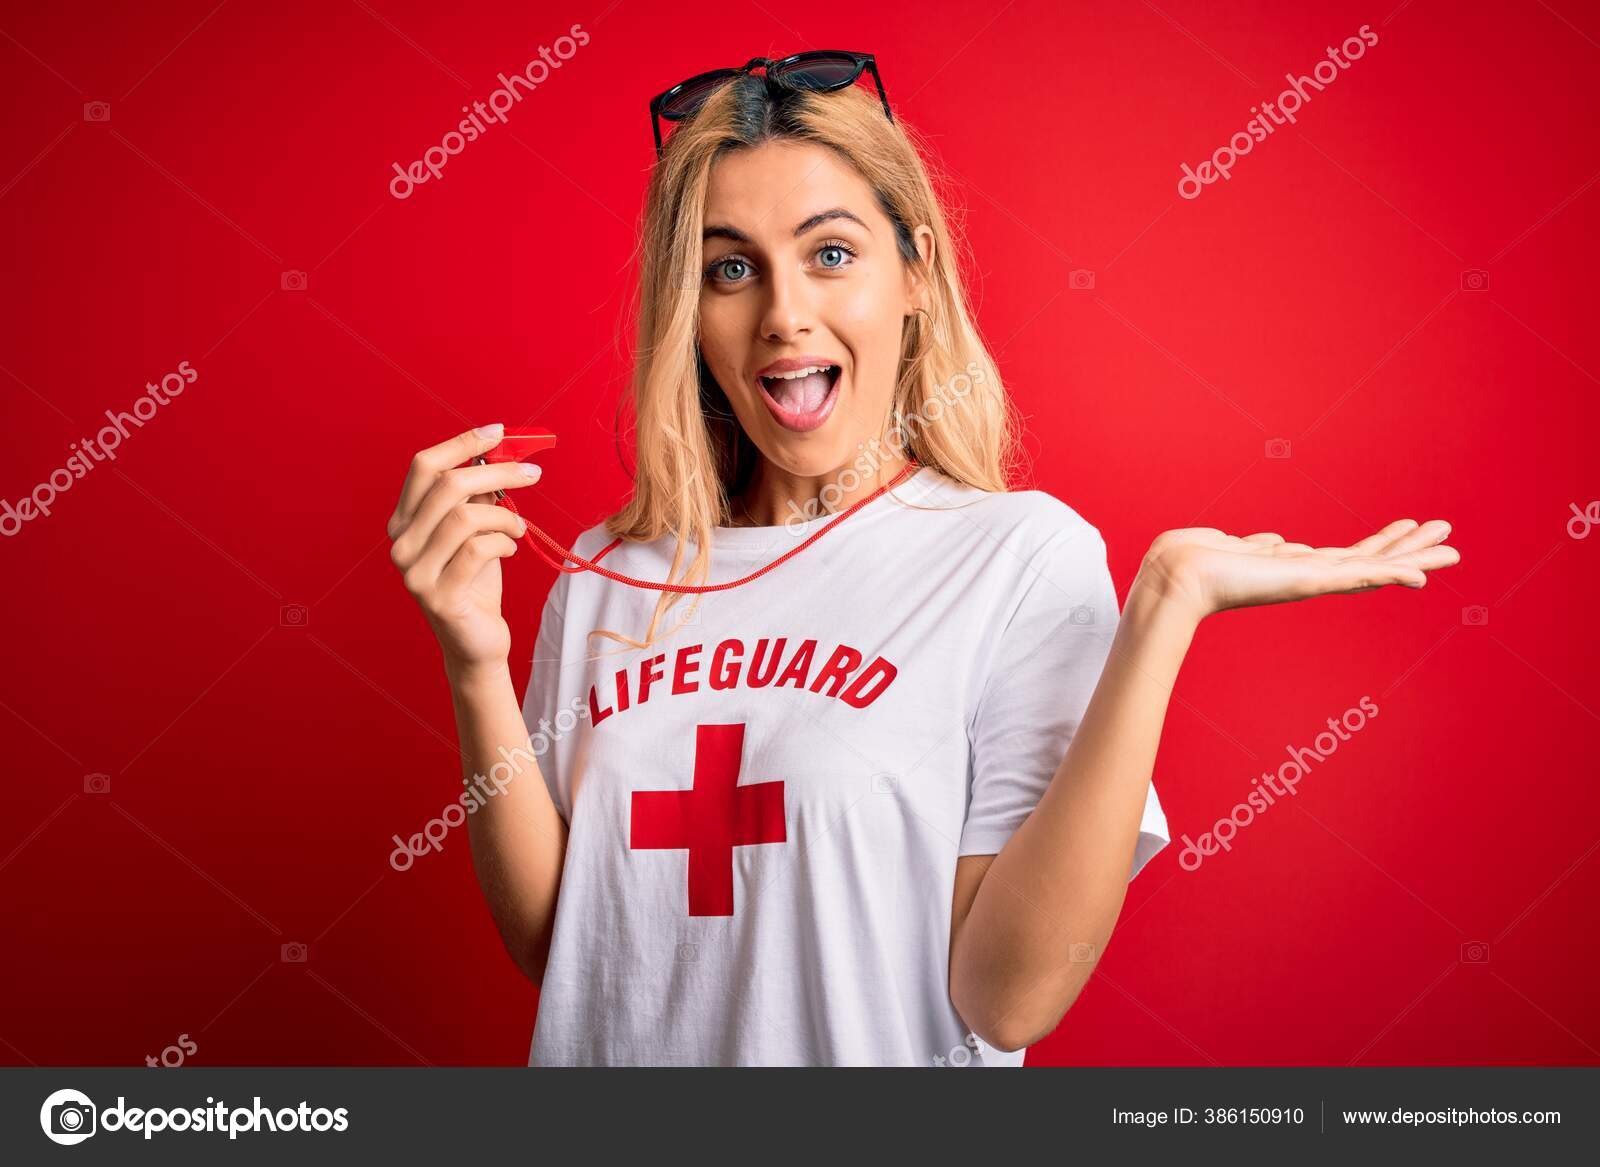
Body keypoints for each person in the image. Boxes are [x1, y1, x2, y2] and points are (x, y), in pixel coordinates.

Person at [385, 54, 1459, 1066]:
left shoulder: (1017, 560)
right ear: (690, 313)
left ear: (915, 273)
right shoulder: (608, 572)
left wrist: (1161, 613)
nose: (783, 314)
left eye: (831, 253)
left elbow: (1008, 998)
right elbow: (566, 949)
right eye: (729, 269)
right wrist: (474, 663)